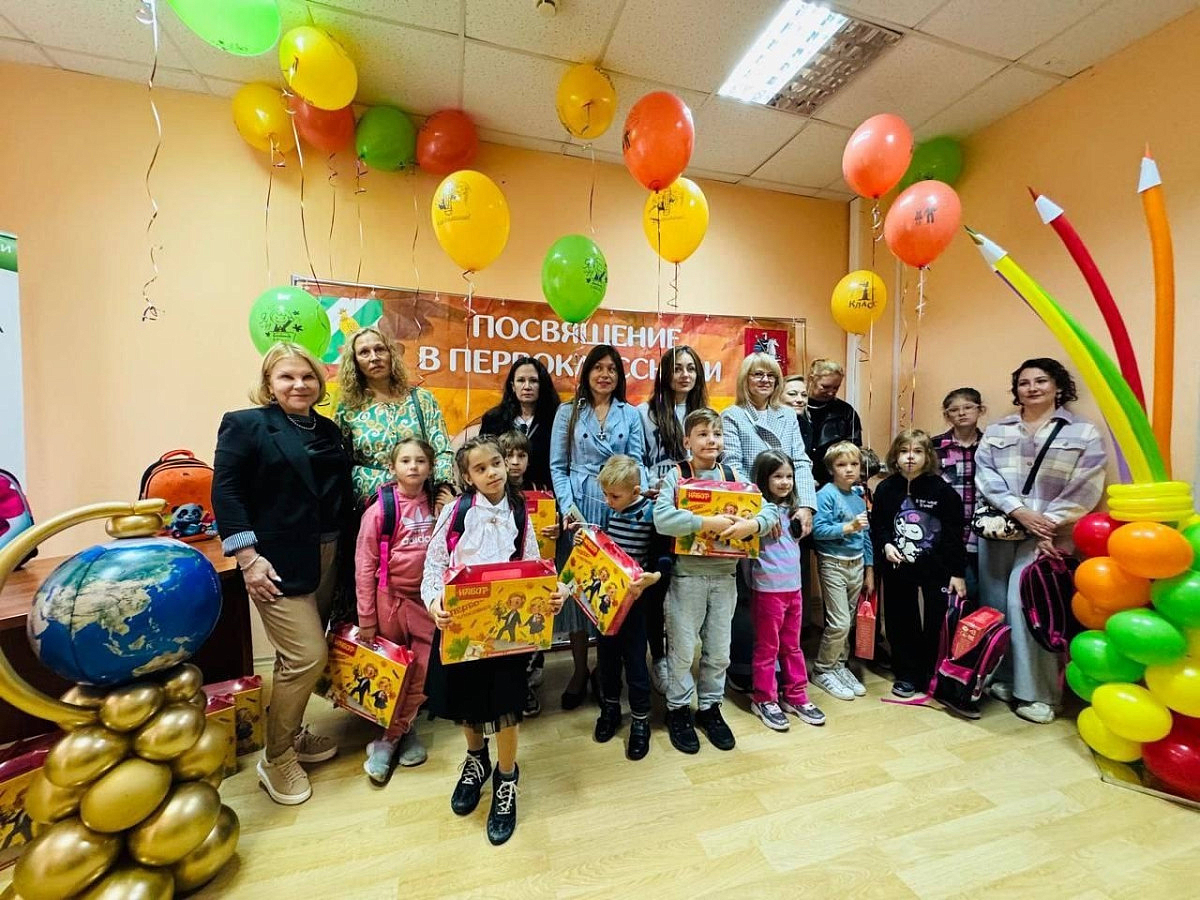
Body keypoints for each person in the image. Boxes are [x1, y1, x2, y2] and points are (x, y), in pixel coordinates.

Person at [213, 342, 353, 806]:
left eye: (307, 376)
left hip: (328, 553)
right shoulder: (246, 425)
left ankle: (290, 733)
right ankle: (276, 759)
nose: (299, 385)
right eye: (287, 377)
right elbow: (227, 493)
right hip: (274, 561)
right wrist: (248, 558)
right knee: (307, 656)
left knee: (291, 658)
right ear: (269, 384)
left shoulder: (328, 429)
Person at [422, 436, 568, 845]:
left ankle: (506, 776)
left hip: (506, 631)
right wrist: (433, 603)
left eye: (497, 463)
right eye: (480, 468)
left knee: (505, 706)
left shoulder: (520, 511)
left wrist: (552, 592)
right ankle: (476, 760)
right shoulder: (455, 512)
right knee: (467, 701)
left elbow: (534, 564)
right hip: (462, 626)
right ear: (467, 477)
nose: (492, 472)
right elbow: (433, 566)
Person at [976, 358, 1105, 724]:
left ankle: (1041, 695)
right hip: (1000, 529)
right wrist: (1019, 511)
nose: (1032, 388)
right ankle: (1006, 679)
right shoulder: (998, 430)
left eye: (1041, 381)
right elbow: (986, 475)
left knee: (1030, 609)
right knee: (996, 607)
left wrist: (1046, 524)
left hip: (1050, 536)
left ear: (1058, 386)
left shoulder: (1082, 433)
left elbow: (1087, 485)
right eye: (1024, 383)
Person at [654, 408, 780, 754]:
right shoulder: (677, 476)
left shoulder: (733, 476)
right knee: (682, 650)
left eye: (717, 434)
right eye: (703, 434)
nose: (712, 441)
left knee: (719, 651)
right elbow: (662, 519)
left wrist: (752, 525)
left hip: (725, 578)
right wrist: (705, 523)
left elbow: (769, 510)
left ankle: (710, 707)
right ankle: (678, 708)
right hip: (687, 577)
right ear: (687, 441)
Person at [549, 345, 646, 709]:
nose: (605, 374)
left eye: (612, 369)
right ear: (587, 372)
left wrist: (632, 500)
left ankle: (609, 672)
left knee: (612, 590)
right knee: (578, 591)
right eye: (598, 368)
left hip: (617, 508)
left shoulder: (630, 414)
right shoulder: (568, 412)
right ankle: (578, 670)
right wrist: (568, 507)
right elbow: (558, 466)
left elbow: (637, 462)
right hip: (579, 509)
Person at [720, 353, 818, 693]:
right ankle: (744, 667)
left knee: (785, 595)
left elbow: (801, 461)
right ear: (745, 379)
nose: (764, 380)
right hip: (750, 515)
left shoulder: (787, 415)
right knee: (748, 595)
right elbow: (733, 467)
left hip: (788, 514)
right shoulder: (732, 416)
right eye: (757, 374)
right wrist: (763, 512)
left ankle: (781, 669)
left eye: (771, 376)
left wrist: (806, 506)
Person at [354, 438, 441, 782]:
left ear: (430, 467)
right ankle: (403, 733)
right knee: (394, 674)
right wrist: (366, 618)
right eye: (405, 460)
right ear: (392, 467)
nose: (413, 466)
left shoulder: (440, 504)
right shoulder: (380, 510)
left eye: (420, 460)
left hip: (426, 602)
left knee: (422, 671)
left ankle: (388, 740)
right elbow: (364, 565)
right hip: (388, 601)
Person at [871, 430, 967, 698]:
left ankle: (931, 672)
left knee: (935, 620)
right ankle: (907, 673)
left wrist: (957, 572)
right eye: (904, 451)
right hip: (898, 568)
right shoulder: (886, 489)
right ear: (895, 456)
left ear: (928, 456)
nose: (910, 457)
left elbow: (954, 535)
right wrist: (886, 545)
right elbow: (878, 525)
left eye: (917, 452)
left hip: (936, 569)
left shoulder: (943, 492)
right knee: (901, 619)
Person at [638, 345, 709, 694]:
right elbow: (637, 459)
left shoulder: (705, 414)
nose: (684, 374)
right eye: (677, 368)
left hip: (697, 514)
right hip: (660, 511)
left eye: (691, 368)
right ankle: (660, 657)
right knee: (658, 585)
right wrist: (651, 486)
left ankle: (688, 659)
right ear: (665, 373)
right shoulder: (646, 413)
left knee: (690, 589)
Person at [747, 450, 825, 731]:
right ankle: (764, 698)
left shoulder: (797, 511)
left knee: (792, 646)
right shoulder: (757, 514)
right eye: (777, 476)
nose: (784, 482)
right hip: (767, 591)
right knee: (768, 647)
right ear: (763, 478)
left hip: (794, 590)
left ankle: (795, 694)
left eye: (789, 476)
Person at [590, 455, 662, 760]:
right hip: (608, 599)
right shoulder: (612, 512)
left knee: (635, 660)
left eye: (614, 496)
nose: (608, 502)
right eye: (605, 495)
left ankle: (641, 719)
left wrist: (654, 576)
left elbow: (661, 555)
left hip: (636, 601)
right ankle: (610, 708)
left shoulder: (651, 513)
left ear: (635, 491)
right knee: (606, 657)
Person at [335, 326, 455, 505]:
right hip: (371, 506)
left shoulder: (421, 399)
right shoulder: (348, 408)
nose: (374, 357)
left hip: (421, 503)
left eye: (379, 349)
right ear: (354, 361)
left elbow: (441, 450)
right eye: (364, 352)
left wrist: (443, 493)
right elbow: (342, 462)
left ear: (391, 354)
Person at [497, 427, 559, 717]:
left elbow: (551, 525)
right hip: (504, 573)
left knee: (533, 628)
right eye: (508, 456)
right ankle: (510, 687)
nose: (514, 462)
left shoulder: (540, 488)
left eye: (520, 456)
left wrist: (556, 529)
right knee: (506, 632)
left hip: (535, 572)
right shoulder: (493, 491)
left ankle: (529, 682)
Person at [811, 442, 874, 701]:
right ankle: (822, 668)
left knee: (849, 620)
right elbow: (817, 531)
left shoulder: (858, 497)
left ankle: (839, 664)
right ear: (831, 469)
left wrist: (869, 570)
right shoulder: (826, 494)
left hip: (856, 564)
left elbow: (866, 536)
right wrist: (848, 528)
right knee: (839, 622)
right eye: (841, 465)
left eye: (854, 464)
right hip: (833, 564)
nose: (849, 469)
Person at [932, 388, 987, 600]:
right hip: (945, 531)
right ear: (947, 415)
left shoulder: (990, 445)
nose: (961, 413)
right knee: (950, 595)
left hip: (982, 531)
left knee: (979, 592)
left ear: (980, 410)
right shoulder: (934, 446)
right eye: (954, 410)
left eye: (968, 407)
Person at [480, 356, 560, 490]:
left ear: (542, 385)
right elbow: (483, 459)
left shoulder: (556, 420)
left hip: (544, 493)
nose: (527, 387)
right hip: (500, 492)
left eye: (533, 381)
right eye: (521, 380)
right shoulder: (493, 419)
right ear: (513, 386)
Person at [806, 359, 863, 487]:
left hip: (834, 481)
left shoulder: (846, 412)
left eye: (836, 387)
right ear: (811, 379)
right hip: (797, 478)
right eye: (825, 387)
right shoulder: (795, 407)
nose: (831, 392)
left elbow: (854, 450)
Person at [781, 373, 814, 456]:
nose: (800, 399)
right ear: (777, 396)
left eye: (804, 395)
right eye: (792, 394)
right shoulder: (769, 423)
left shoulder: (807, 425)